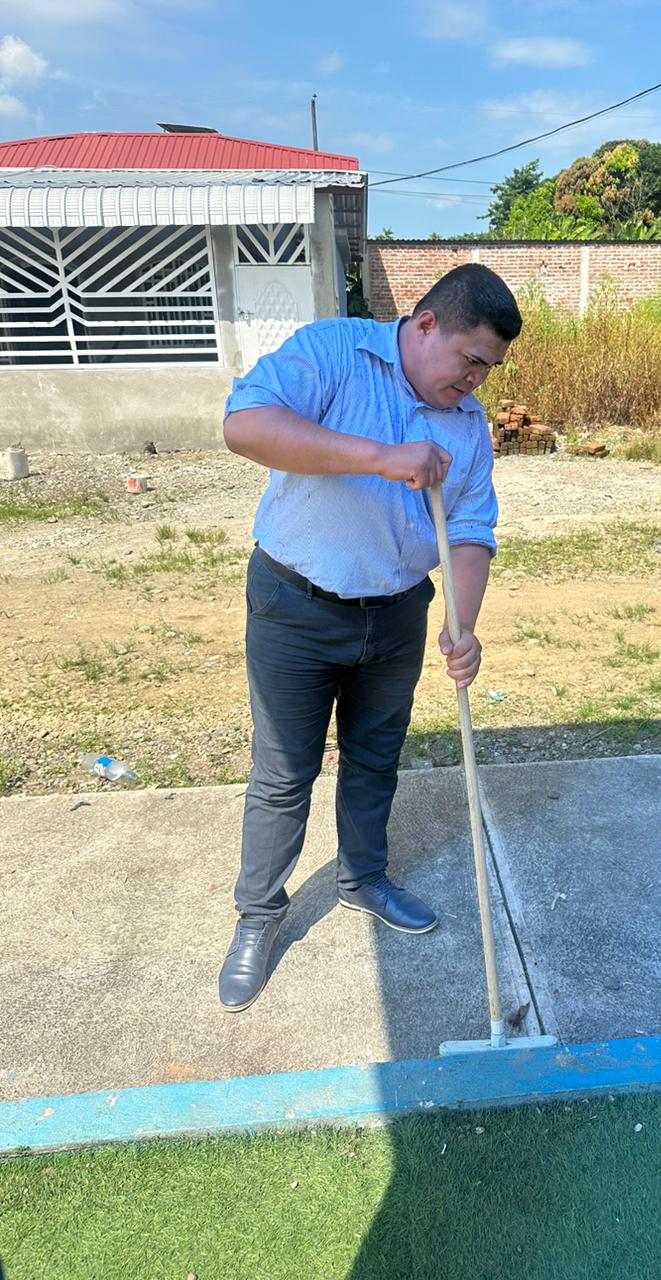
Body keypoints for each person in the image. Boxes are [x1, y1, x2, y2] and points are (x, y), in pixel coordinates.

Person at [217, 263, 523, 1011]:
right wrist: (383, 458)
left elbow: (471, 530)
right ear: (426, 325)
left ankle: (362, 879)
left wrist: (462, 626)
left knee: (376, 757)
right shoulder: (333, 351)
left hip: (396, 613)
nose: (476, 380)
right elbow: (244, 426)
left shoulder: (468, 425)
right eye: (470, 360)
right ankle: (258, 916)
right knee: (284, 771)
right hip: (295, 604)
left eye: (489, 368)